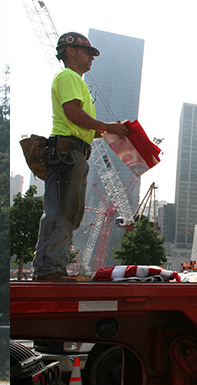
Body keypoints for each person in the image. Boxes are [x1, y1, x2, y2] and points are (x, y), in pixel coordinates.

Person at [33, 32, 132, 281]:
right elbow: (73, 114)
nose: (91, 58)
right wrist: (108, 127)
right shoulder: (67, 76)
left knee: (71, 212)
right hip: (67, 153)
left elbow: (83, 125)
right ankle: (47, 268)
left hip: (76, 153)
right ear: (71, 52)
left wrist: (109, 131)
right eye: (88, 52)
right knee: (60, 211)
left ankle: (54, 266)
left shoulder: (78, 83)